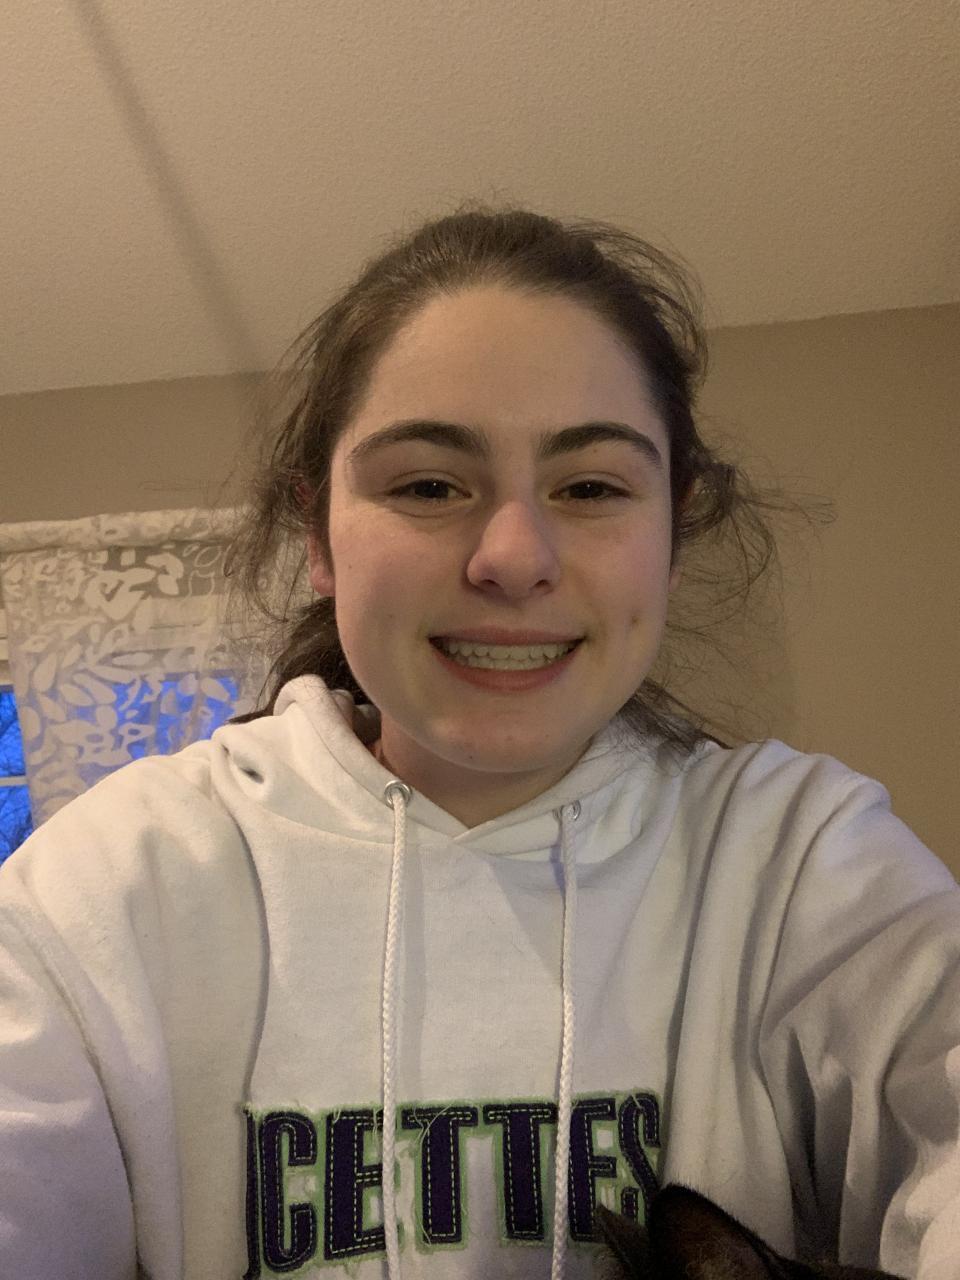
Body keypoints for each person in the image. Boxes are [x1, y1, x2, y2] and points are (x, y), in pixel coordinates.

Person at [0, 200, 956, 1280]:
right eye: (428, 485)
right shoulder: (109, 885)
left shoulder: (807, 860)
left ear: (672, 534)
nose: (513, 556)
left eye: (590, 486)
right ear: (319, 537)